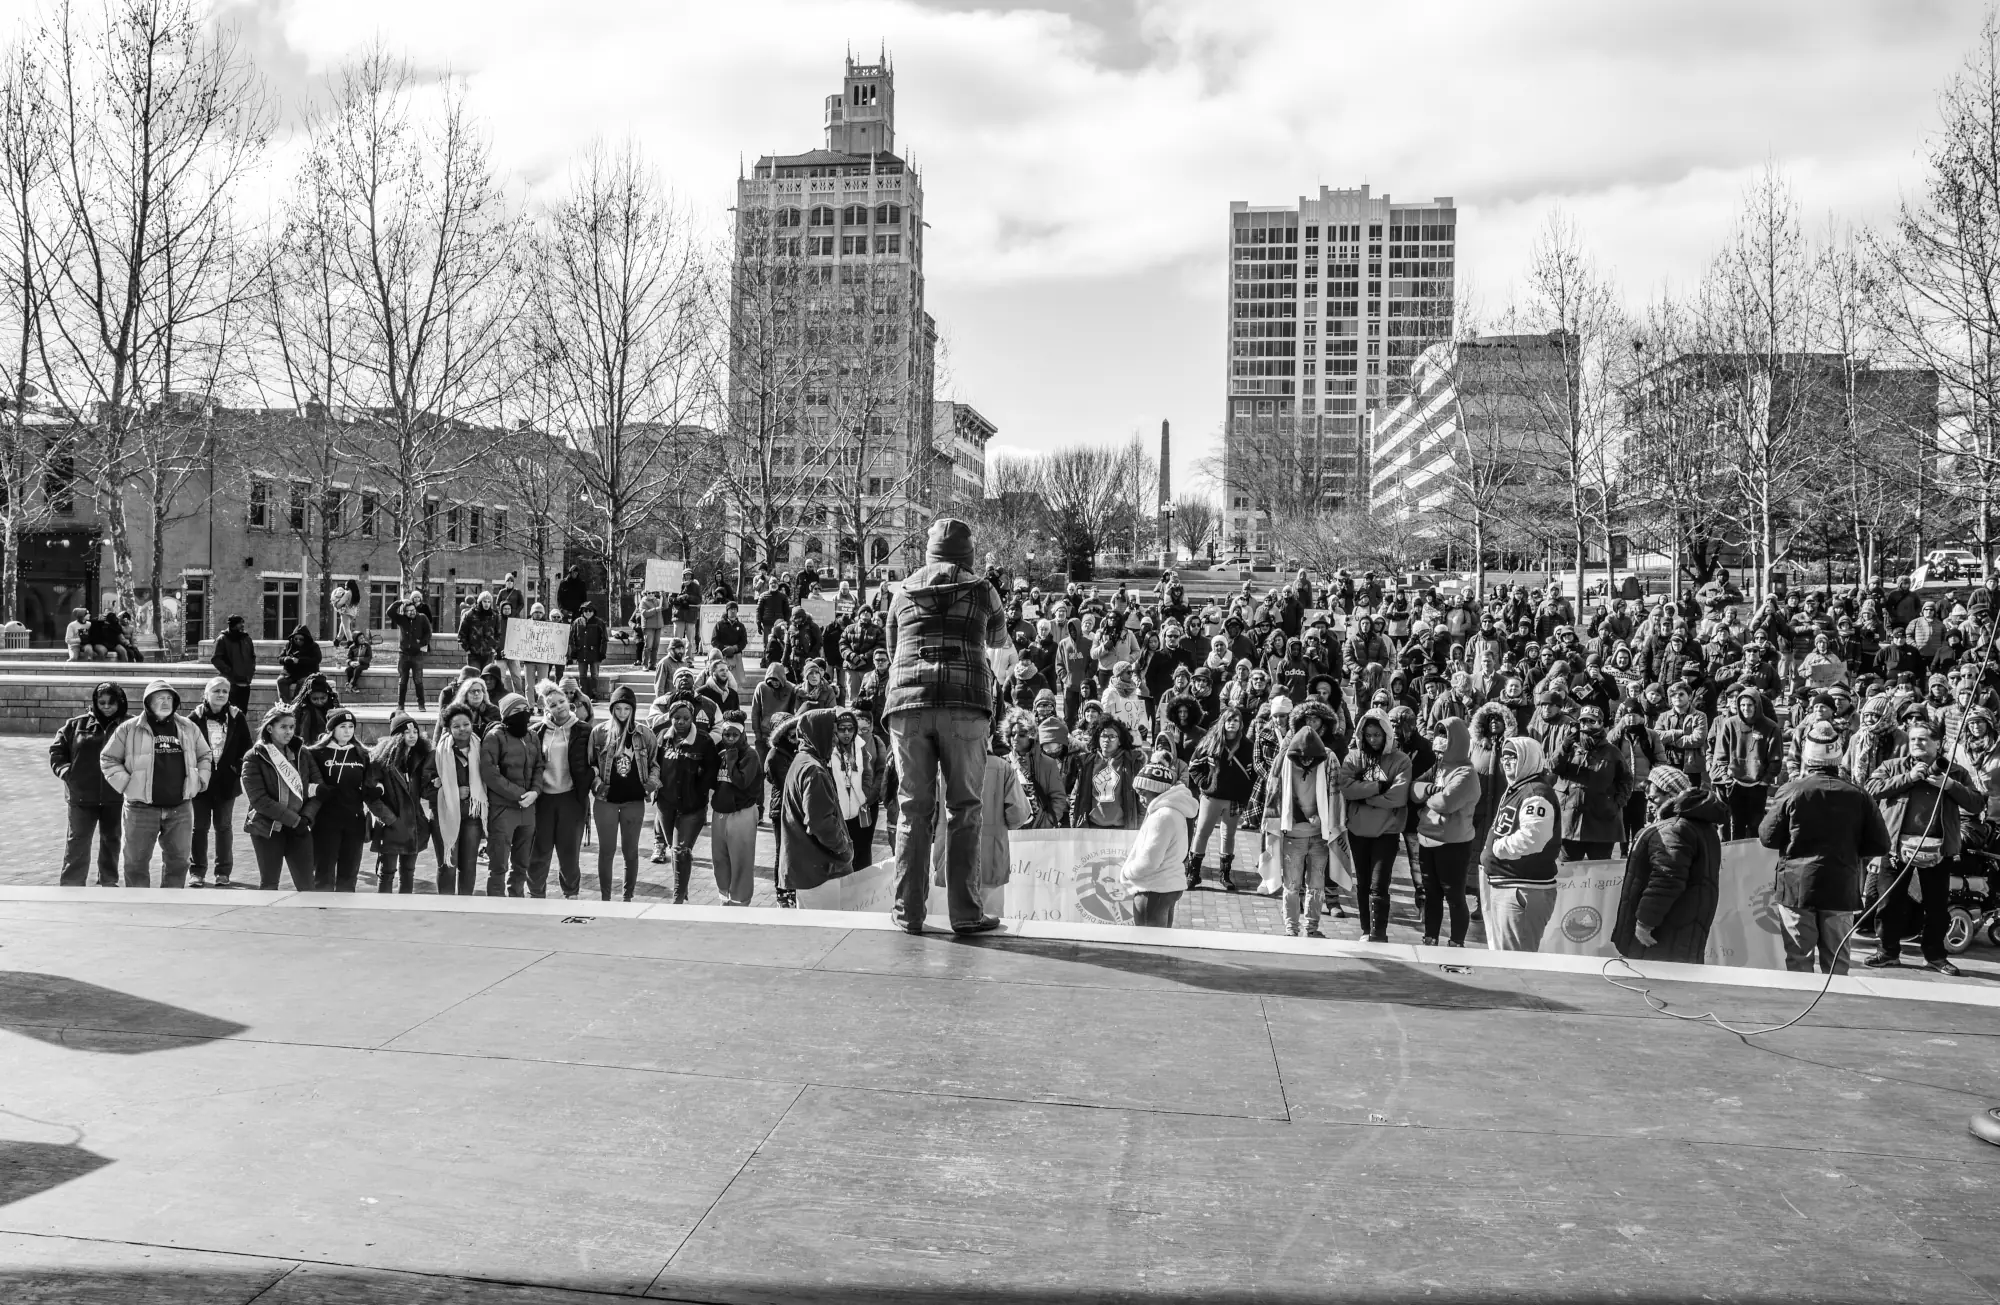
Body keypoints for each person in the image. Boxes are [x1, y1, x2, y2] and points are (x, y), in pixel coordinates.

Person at [881, 517, 1008, 935]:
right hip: (964, 703)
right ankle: (966, 914)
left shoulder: (903, 592)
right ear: (967, 553)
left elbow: (891, 646)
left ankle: (907, 913)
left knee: (912, 808)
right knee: (965, 809)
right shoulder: (982, 589)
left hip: (906, 704)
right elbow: (998, 638)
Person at [1758, 720, 1892, 975]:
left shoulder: (1792, 790)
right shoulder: (1858, 794)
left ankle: (1802, 1008)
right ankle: (1835, 1009)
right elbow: (1880, 843)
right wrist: (1849, 852)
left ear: (1807, 757)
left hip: (1798, 886)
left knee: (1799, 957)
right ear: (1838, 757)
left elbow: (1767, 837)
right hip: (1841, 885)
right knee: (1838, 962)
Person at [1864, 717, 1984, 975]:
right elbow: (1870, 789)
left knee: (1937, 908)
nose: (1916, 743)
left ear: (1938, 744)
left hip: (1937, 851)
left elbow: (1976, 804)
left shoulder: (1955, 771)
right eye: (1913, 738)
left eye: (1923, 739)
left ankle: (1935, 956)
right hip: (1895, 848)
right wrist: (1907, 778)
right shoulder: (1893, 766)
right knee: (1887, 904)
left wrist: (1949, 785)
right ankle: (1887, 952)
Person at [97, 679, 213, 888]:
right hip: (140, 809)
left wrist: (200, 780)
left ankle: (171, 904)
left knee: (178, 862)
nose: (165, 702)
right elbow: (108, 759)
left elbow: (205, 755)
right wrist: (128, 785)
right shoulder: (129, 728)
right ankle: (140, 906)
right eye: (160, 698)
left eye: (169, 698)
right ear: (148, 702)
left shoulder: (188, 727)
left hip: (180, 807)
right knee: (135, 863)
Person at [1611, 766, 1730, 964]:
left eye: (1654, 799)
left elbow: (1666, 881)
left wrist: (1645, 922)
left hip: (1665, 929)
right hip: (1684, 924)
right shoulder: (1701, 824)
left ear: (1672, 794)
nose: (1649, 805)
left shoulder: (1674, 829)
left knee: (1658, 983)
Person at [1264, 722, 1344, 938]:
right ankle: (1291, 927)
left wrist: (1328, 822)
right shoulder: (1283, 762)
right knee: (1291, 885)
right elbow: (1276, 798)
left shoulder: (1328, 761)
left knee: (1316, 885)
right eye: (1302, 757)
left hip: (1319, 836)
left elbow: (1336, 795)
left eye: (1311, 757)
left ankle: (1312, 927)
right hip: (1293, 835)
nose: (1307, 761)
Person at [1482, 736, 1561, 951]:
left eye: (1513, 757)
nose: (1507, 761)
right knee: (1503, 956)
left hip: (1523, 887)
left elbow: (1532, 839)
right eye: (1504, 757)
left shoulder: (1536, 793)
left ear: (1528, 758)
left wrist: (1497, 848)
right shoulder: (1518, 788)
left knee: (1516, 959)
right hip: (1508, 883)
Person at [49, 681, 130, 886]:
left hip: (116, 795)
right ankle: (72, 883)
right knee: (78, 841)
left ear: (120, 703)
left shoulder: (130, 725)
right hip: (82, 795)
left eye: (112, 703)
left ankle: (108, 880)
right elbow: (57, 751)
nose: (106, 707)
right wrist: (67, 772)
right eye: (101, 702)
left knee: (111, 840)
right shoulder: (76, 724)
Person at [1340, 709, 1410, 942]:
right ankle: (1365, 930)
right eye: (1368, 735)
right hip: (1358, 830)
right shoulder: (1353, 757)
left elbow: (1397, 797)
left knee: (1379, 884)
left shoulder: (1401, 760)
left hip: (1387, 831)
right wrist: (1378, 788)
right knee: (1363, 883)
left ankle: (1378, 933)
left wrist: (1363, 795)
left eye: (1377, 735)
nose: (1372, 740)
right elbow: (1346, 787)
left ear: (1386, 735)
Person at [1413, 717, 1481, 947]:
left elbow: (1447, 803)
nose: (1439, 756)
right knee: (1431, 893)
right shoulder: (1438, 768)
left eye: (1443, 751)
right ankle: (1430, 936)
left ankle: (1456, 941)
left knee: (1454, 895)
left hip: (1453, 842)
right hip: (1427, 837)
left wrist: (1427, 796)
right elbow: (1413, 790)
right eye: (1437, 752)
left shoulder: (1466, 773)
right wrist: (1431, 790)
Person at [241, 701, 323, 891]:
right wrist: (294, 820)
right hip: (268, 828)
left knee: (307, 885)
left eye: (292, 727)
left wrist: (306, 818)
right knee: (269, 884)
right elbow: (259, 800)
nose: (288, 732)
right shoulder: (254, 757)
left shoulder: (303, 753)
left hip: (300, 827)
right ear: (270, 728)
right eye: (283, 727)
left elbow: (317, 788)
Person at [590, 685, 658, 902]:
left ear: (633, 710)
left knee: (631, 852)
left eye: (626, 709)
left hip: (633, 802)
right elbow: (589, 765)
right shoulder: (599, 733)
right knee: (606, 851)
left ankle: (627, 898)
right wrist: (598, 783)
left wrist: (650, 785)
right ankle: (605, 899)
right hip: (605, 801)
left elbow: (655, 764)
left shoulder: (645, 734)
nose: (621, 714)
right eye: (617, 709)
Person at [528, 679, 595, 899]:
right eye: (553, 705)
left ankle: (571, 894)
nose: (559, 707)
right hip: (544, 799)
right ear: (546, 709)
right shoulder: (536, 732)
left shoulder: (585, 730)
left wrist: (591, 778)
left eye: (561, 701)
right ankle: (536, 894)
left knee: (569, 852)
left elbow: (595, 761)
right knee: (540, 851)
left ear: (569, 701)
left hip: (572, 799)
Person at [779, 707, 856, 897]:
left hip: (810, 870)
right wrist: (844, 849)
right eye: (832, 734)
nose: (836, 739)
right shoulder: (813, 770)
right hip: (820, 874)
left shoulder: (803, 761)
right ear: (819, 734)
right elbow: (820, 822)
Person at [186, 677, 252, 888]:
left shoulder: (236, 717)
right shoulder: (194, 718)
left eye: (225, 691)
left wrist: (235, 769)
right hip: (201, 783)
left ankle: (223, 872)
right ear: (206, 694)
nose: (221, 695)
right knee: (199, 828)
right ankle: (197, 871)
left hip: (226, 782)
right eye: (216, 691)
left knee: (223, 827)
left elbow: (246, 747)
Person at [651, 694, 716, 903]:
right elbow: (654, 766)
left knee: (680, 849)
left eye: (686, 718)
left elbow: (711, 771)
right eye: (677, 718)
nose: (681, 722)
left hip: (692, 806)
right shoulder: (662, 738)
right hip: (666, 805)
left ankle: (677, 897)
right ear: (670, 717)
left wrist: (700, 792)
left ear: (693, 718)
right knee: (675, 849)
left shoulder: (704, 741)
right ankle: (683, 888)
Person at [1121, 756, 1197, 927]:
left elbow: (1150, 861)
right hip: (1168, 886)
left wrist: (1127, 872)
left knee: (1149, 946)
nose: (1140, 799)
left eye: (1143, 793)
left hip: (1153, 888)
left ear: (1155, 790)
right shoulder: (1175, 811)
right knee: (1162, 942)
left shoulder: (1161, 817)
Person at [364, 713, 435, 894]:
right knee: (387, 872)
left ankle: (406, 907)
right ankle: (384, 910)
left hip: (415, 826)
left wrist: (435, 784)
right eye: (406, 732)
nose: (412, 735)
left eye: (415, 731)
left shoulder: (421, 758)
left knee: (408, 872)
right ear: (397, 736)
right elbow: (371, 795)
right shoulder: (381, 761)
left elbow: (424, 791)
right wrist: (390, 820)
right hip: (391, 826)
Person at [1186, 711, 1257, 892]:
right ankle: (1193, 873)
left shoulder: (1248, 746)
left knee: (1228, 836)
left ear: (1241, 724)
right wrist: (1204, 783)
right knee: (1201, 833)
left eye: (1236, 720)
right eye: (1229, 720)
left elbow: (1253, 773)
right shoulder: (1211, 742)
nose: (1232, 723)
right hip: (1212, 797)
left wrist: (1245, 793)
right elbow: (1193, 766)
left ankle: (1225, 875)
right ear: (1223, 722)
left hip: (1234, 799)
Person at [1550, 704, 1631, 861]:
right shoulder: (1569, 747)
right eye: (1583, 721)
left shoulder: (1612, 751)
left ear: (1601, 723)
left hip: (1602, 822)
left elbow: (1626, 780)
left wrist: (1617, 803)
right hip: (1570, 821)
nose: (1587, 725)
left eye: (1592, 721)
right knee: (1569, 873)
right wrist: (1564, 747)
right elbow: (1553, 767)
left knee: (1601, 873)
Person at [481, 693, 543, 896]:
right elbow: (490, 773)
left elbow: (539, 767)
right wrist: (520, 794)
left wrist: (535, 791)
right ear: (506, 714)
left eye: (525, 709)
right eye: (516, 711)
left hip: (528, 809)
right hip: (503, 809)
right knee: (498, 865)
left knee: (521, 864)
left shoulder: (532, 736)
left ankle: (517, 900)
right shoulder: (495, 737)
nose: (523, 714)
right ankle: (497, 906)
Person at [307, 707, 371, 892]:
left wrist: (376, 789)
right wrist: (315, 789)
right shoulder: (315, 754)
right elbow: (303, 783)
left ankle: (345, 915)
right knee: (323, 875)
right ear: (332, 729)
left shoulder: (362, 754)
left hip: (354, 821)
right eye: (342, 726)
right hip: (326, 821)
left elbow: (372, 781)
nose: (347, 730)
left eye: (351, 726)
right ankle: (323, 914)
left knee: (349, 876)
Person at [709, 712, 764, 906]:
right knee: (719, 858)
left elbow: (741, 782)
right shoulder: (720, 753)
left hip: (742, 813)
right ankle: (725, 896)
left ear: (742, 735)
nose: (730, 739)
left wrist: (732, 758)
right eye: (726, 735)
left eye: (734, 735)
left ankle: (741, 900)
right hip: (720, 813)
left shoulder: (750, 755)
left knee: (740, 860)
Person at [433, 703, 488, 896]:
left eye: (466, 724)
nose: (462, 729)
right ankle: (447, 906)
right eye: (456, 726)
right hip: (446, 815)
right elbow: (426, 788)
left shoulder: (482, 747)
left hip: (473, 816)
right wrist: (454, 791)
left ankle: (466, 903)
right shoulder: (438, 753)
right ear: (448, 729)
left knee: (469, 864)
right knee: (448, 864)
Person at [830, 706, 885, 865]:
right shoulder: (835, 748)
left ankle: (863, 884)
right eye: (857, 729)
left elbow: (877, 772)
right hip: (842, 807)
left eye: (865, 729)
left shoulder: (874, 743)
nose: (859, 733)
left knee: (863, 847)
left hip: (866, 805)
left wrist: (867, 796)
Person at [389, 590, 433, 711]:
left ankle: (421, 704)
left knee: (418, 680)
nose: (413, 612)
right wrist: (400, 601)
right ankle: (400, 705)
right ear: (405, 612)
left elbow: (428, 633)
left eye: (414, 610)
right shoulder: (401, 619)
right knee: (402, 681)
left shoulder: (422, 618)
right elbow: (389, 612)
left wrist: (422, 643)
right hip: (403, 654)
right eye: (410, 611)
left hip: (417, 654)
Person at [210, 614, 257, 712]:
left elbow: (252, 657)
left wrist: (250, 672)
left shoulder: (246, 639)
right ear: (233, 625)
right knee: (229, 711)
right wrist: (229, 671)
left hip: (245, 681)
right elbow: (216, 659)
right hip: (230, 682)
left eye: (242, 624)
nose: (242, 626)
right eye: (240, 624)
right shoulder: (222, 639)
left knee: (242, 712)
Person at [570, 602, 607, 698]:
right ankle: (583, 695)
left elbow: (604, 639)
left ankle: (593, 694)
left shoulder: (599, 623)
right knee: (582, 675)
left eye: (590, 611)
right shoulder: (577, 622)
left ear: (594, 612)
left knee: (594, 675)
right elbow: (572, 637)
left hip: (595, 653)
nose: (588, 613)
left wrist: (602, 652)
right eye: (585, 610)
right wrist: (574, 651)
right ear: (582, 611)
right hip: (581, 652)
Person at [276, 625, 322, 703]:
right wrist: (286, 659)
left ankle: (297, 703)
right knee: (281, 681)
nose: (298, 641)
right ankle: (285, 704)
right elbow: (280, 658)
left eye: (301, 639)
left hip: (306, 673)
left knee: (303, 682)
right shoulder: (289, 645)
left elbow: (317, 659)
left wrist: (300, 661)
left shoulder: (313, 646)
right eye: (296, 639)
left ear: (306, 639)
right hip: (290, 673)